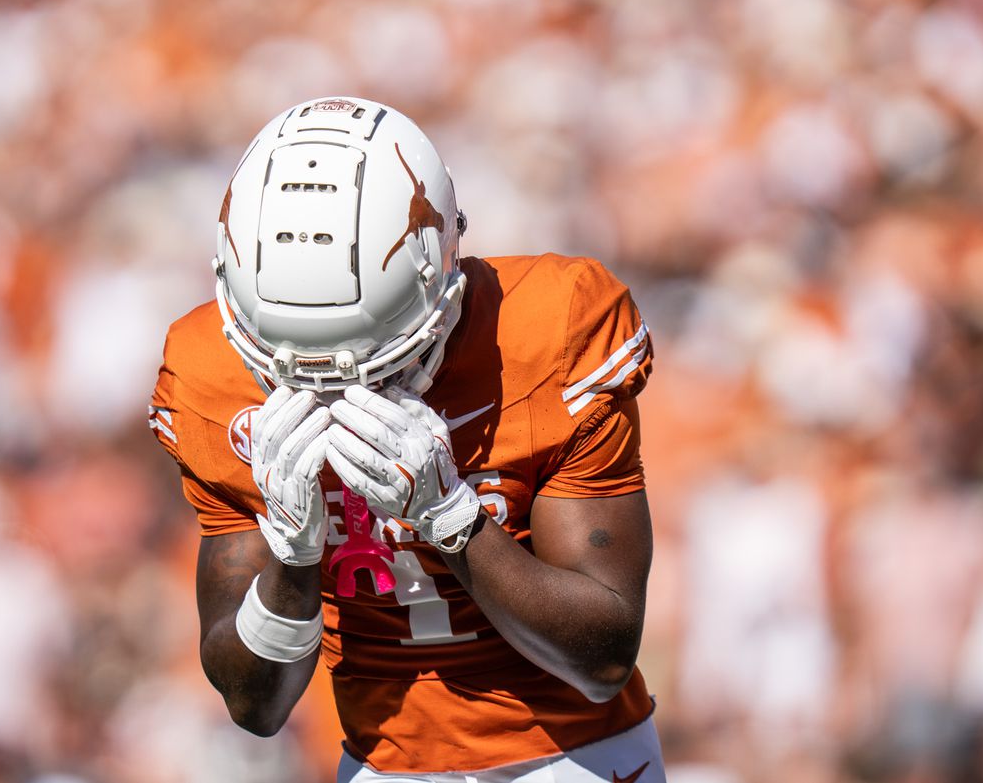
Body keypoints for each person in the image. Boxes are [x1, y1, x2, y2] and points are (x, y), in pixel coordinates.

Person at [149, 96, 663, 783]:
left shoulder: (553, 329)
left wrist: (452, 519)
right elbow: (255, 702)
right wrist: (292, 555)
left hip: (577, 756)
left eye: (384, 362)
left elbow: (602, 659)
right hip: (377, 764)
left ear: (445, 279)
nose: (339, 393)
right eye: (294, 370)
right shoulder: (209, 374)